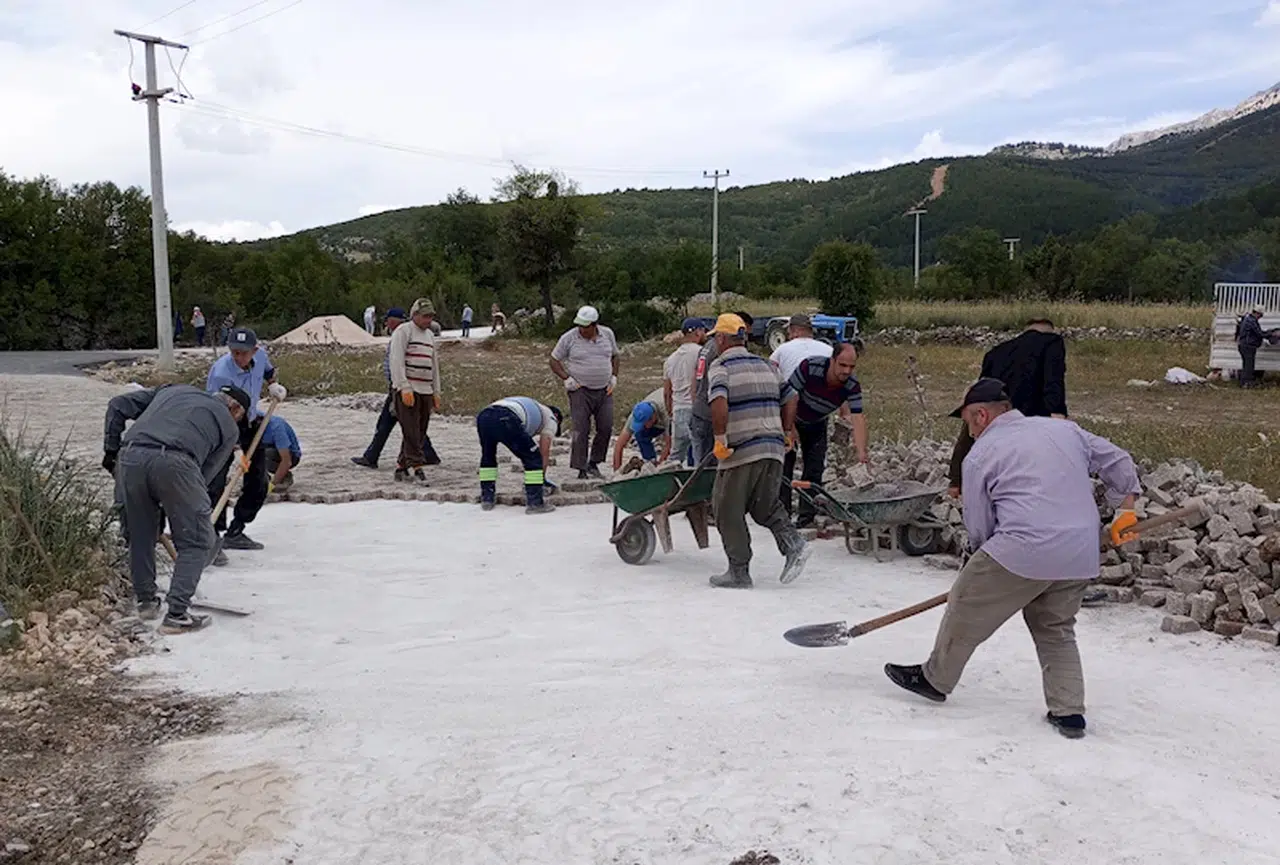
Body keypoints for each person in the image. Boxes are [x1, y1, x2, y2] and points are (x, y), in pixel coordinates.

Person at [884, 378, 1142, 740]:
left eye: (966, 421)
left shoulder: (981, 455)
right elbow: (1118, 460)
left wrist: (980, 570)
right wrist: (1126, 510)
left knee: (963, 606)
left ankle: (934, 679)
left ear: (981, 415)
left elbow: (980, 525)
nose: (968, 430)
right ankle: (1068, 712)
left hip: (1022, 547)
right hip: (1080, 551)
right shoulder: (1063, 430)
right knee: (1055, 628)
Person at [103, 383, 248, 633]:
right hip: (177, 461)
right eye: (240, 416)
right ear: (234, 408)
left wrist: (111, 451)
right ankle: (177, 614)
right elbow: (204, 476)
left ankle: (146, 602)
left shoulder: (171, 391)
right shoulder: (228, 425)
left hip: (129, 457)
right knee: (196, 540)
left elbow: (117, 405)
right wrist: (176, 504)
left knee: (140, 535)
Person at [704, 313, 810, 589]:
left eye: (715, 338)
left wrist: (719, 438)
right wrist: (787, 432)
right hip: (773, 447)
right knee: (764, 505)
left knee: (726, 507)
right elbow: (791, 397)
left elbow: (718, 401)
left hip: (742, 448)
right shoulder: (767, 365)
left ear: (721, 338)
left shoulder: (720, 366)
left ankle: (738, 571)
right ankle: (793, 544)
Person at [947, 318, 1068, 497]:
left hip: (994, 415)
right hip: (1030, 416)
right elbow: (1053, 380)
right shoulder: (1052, 342)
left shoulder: (996, 351)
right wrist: (1059, 418)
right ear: (1049, 330)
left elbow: (981, 393)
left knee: (971, 431)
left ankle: (956, 485)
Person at [205, 327, 287, 552]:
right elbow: (216, 412)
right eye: (235, 353)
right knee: (216, 482)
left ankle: (237, 529)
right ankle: (212, 537)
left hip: (250, 424)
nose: (239, 357)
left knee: (258, 481)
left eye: (244, 353)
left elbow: (269, 372)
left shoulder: (260, 357)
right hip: (223, 426)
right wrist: (236, 448)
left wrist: (272, 386)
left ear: (254, 350)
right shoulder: (221, 372)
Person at [780, 343, 869, 527]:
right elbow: (790, 397)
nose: (847, 371)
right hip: (792, 417)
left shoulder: (852, 385)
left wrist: (862, 453)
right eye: (842, 365)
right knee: (785, 465)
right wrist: (789, 429)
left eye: (851, 367)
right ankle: (781, 515)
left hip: (817, 423)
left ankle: (806, 517)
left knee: (814, 469)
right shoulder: (810, 367)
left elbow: (858, 417)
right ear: (832, 360)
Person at [550, 305, 619, 480]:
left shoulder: (607, 335)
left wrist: (614, 377)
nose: (581, 329)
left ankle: (594, 463)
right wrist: (566, 378)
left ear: (594, 324)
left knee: (605, 426)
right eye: (579, 325)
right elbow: (554, 360)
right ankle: (580, 468)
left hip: (604, 389)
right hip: (580, 390)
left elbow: (615, 356)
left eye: (585, 326)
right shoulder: (569, 338)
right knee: (581, 428)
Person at [476, 397, 563, 514]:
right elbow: (544, 451)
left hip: (484, 416)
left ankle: (487, 498)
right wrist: (540, 479)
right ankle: (535, 503)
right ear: (557, 417)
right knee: (534, 458)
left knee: (488, 456)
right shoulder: (551, 418)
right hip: (506, 417)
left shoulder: (533, 407)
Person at [689, 310, 754, 464]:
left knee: (702, 464)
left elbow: (695, 380)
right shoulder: (720, 353)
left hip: (700, 411)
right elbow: (720, 393)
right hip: (711, 417)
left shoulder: (706, 347)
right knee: (711, 468)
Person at [388, 297, 442, 482]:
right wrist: (403, 386)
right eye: (425, 316)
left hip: (425, 389)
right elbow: (396, 360)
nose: (428, 320)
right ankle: (417, 466)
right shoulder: (404, 331)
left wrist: (436, 392)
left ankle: (401, 466)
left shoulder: (430, 336)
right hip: (409, 388)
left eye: (431, 316)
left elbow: (434, 365)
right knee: (410, 430)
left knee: (420, 430)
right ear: (415, 315)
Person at [663, 318, 706, 467]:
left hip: (678, 409)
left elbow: (667, 392)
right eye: (703, 330)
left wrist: (670, 411)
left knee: (675, 455)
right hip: (696, 410)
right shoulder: (701, 353)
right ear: (697, 332)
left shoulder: (670, 359)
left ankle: (667, 481)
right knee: (700, 454)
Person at [611, 388, 671, 471]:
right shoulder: (637, 413)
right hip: (657, 417)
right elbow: (619, 445)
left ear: (652, 418)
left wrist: (659, 469)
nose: (642, 426)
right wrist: (616, 473)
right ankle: (650, 462)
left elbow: (669, 444)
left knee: (685, 440)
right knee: (640, 433)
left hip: (678, 406)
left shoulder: (666, 412)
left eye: (644, 423)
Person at [769, 313, 832, 380]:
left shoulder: (782, 349)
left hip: (791, 389)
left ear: (795, 331)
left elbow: (769, 369)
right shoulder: (829, 350)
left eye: (789, 332)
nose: (789, 336)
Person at [1235, 303, 1273, 388]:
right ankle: (1246, 383)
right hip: (1248, 346)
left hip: (1244, 345)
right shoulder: (1251, 321)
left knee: (1246, 365)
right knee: (1249, 366)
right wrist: (1271, 334)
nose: (1260, 318)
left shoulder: (1247, 319)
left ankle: (1243, 382)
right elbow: (1259, 333)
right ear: (1257, 313)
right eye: (1260, 315)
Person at [262, 414, 302, 494]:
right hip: (269, 447)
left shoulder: (276, 427)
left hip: (290, 455)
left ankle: (284, 476)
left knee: (262, 455)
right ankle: (263, 479)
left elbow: (287, 461)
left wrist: (271, 486)